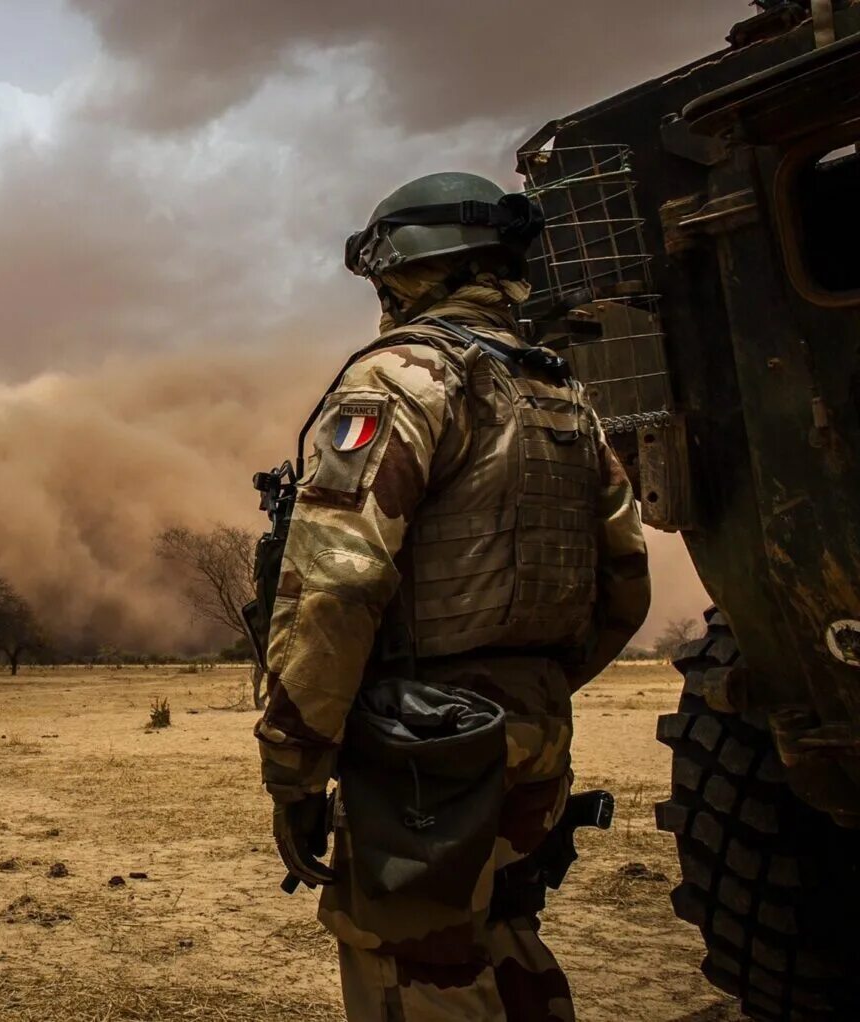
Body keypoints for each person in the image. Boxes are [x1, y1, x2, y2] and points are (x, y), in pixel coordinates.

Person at [251, 172, 651, 1021]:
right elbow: (624, 585)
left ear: (404, 269)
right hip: (529, 729)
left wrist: (294, 766)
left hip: (421, 743)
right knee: (506, 939)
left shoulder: (402, 379)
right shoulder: (561, 396)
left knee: (417, 969)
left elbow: (338, 581)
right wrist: (529, 688)